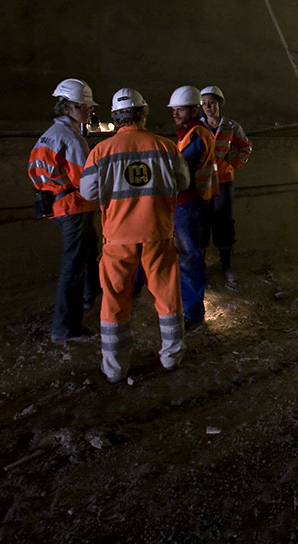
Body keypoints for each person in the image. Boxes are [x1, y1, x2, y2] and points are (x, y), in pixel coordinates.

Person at [79, 88, 190, 383]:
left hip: (118, 238)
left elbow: (88, 192)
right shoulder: (166, 147)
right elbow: (183, 181)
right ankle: (171, 357)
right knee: (168, 297)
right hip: (158, 233)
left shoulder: (101, 151)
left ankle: (115, 369)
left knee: (114, 300)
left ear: (115, 117)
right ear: (143, 114)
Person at [27, 78, 101, 343]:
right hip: (73, 208)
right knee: (74, 266)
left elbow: (35, 172)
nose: (89, 111)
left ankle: (88, 297)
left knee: (90, 248)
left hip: (56, 204)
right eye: (84, 106)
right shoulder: (72, 139)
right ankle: (65, 328)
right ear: (68, 107)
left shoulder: (49, 134)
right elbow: (87, 183)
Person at [169, 85, 218, 332]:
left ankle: (194, 314)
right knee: (190, 256)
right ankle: (190, 307)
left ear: (193, 109)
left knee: (190, 258)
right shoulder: (189, 133)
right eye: (174, 109)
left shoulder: (196, 134)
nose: (175, 113)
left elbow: (181, 171)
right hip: (192, 203)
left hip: (190, 204)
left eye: (180, 109)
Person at [200, 85, 253, 286]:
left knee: (224, 221)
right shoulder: (198, 127)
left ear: (219, 104)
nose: (207, 107)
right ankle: (201, 266)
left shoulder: (231, 127)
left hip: (223, 181)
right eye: (204, 104)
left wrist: (232, 164)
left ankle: (226, 264)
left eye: (211, 103)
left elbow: (245, 147)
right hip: (202, 183)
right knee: (202, 222)